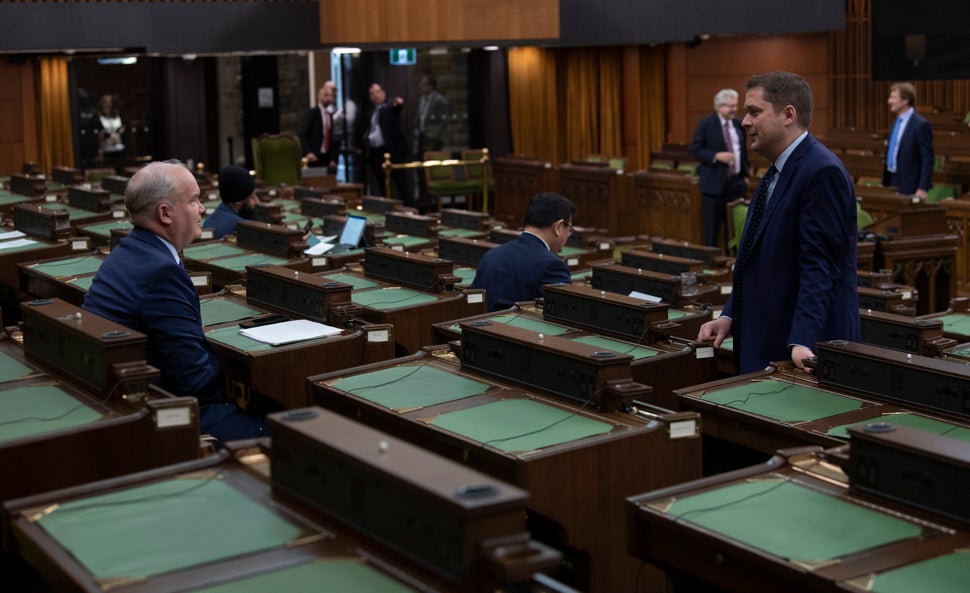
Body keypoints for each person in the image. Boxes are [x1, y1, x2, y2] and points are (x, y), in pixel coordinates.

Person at [83, 160, 267, 443]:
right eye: (194, 200)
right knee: (286, 431)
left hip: (119, 399)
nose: (203, 209)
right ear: (165, 213)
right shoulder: (161, 270)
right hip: (162, 415)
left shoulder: (127, 250)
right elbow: (195, 384)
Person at [697, 71, 859, 374]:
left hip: (799, 351)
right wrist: (730, 316)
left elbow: (819, 266)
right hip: (765, 340)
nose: (744, 121)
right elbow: (756, 262)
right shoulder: (775, 171)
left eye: (754, 112)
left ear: (788, 115)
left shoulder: (821, 172)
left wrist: (802, 340)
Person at [471, 192, 575, 312]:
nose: (568, 235)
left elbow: (474, 303)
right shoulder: (553, 265)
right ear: (558, 227)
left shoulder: (491, 255)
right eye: (570, 230)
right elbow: (564, 315)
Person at [689, 88, 750, 251]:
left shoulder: (738, 124)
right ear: (719, 106)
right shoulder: (707, 124)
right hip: (713, 186)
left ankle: (733, 265)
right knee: (711, 231)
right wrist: (716, 156)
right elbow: (694, 150)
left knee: (736, 230)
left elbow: (743, 152)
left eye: (735, 105)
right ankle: (711, 268)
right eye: (730, 106)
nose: (734, 109)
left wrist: (745, 174)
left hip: (736, 185)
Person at [882, 82, 934, 200]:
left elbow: (927, 158)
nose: (889, 101)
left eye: (894, 97)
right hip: (892, 179)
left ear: (905, 100)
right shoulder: (895, 122)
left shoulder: (920, 124)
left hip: (910, 183)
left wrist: (923, 187)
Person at [366, 82, 412, 206]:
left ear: (383, 92)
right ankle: (388, 209)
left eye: (376, 92)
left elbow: (397, 106)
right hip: (377, 151)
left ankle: (409, 208)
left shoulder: (389, 106)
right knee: (382, 184)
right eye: (371, 93)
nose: (374, 95)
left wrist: (398, 102)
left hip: (392, 151)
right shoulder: (372, 111)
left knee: (401, 182)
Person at [202, 165, 259, 239]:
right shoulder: (242, 228)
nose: (257, 201)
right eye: (252, 197)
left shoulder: (209, 221)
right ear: (237, 200)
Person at [298, 82, 338, 172]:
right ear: (319, 97)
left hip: (326, 157)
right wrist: (308, 152)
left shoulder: (331, 115)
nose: (328, 98)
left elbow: (332, 138)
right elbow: (302, 132)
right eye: (325, 95)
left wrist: (333, 158)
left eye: (330, 96)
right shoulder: (312, 113)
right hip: (314, 156)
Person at [97, 93, 125, 167]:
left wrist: (122, 130)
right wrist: (109, 136)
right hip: (107, 151)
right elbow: (99, 134)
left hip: (118, 149)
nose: (108, 105)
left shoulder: (117, 117)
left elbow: (120, 129)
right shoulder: (100, 118)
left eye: (110, 103)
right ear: (102, 105)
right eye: (106, 103)